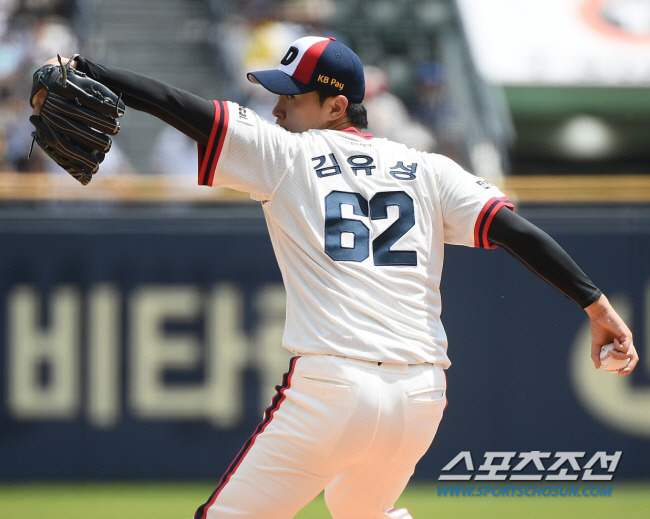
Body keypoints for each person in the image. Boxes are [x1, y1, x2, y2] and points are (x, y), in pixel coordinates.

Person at [33, 36, 638, 519]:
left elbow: (177, 105)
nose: (277, 107)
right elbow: (516, 232)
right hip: (422, 398)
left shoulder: (287, 154)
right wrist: (598, 308)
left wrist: (90, 69)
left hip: (333, 387)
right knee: (358, 508)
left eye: (290, 98)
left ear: (336, 105)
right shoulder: (430, 169)